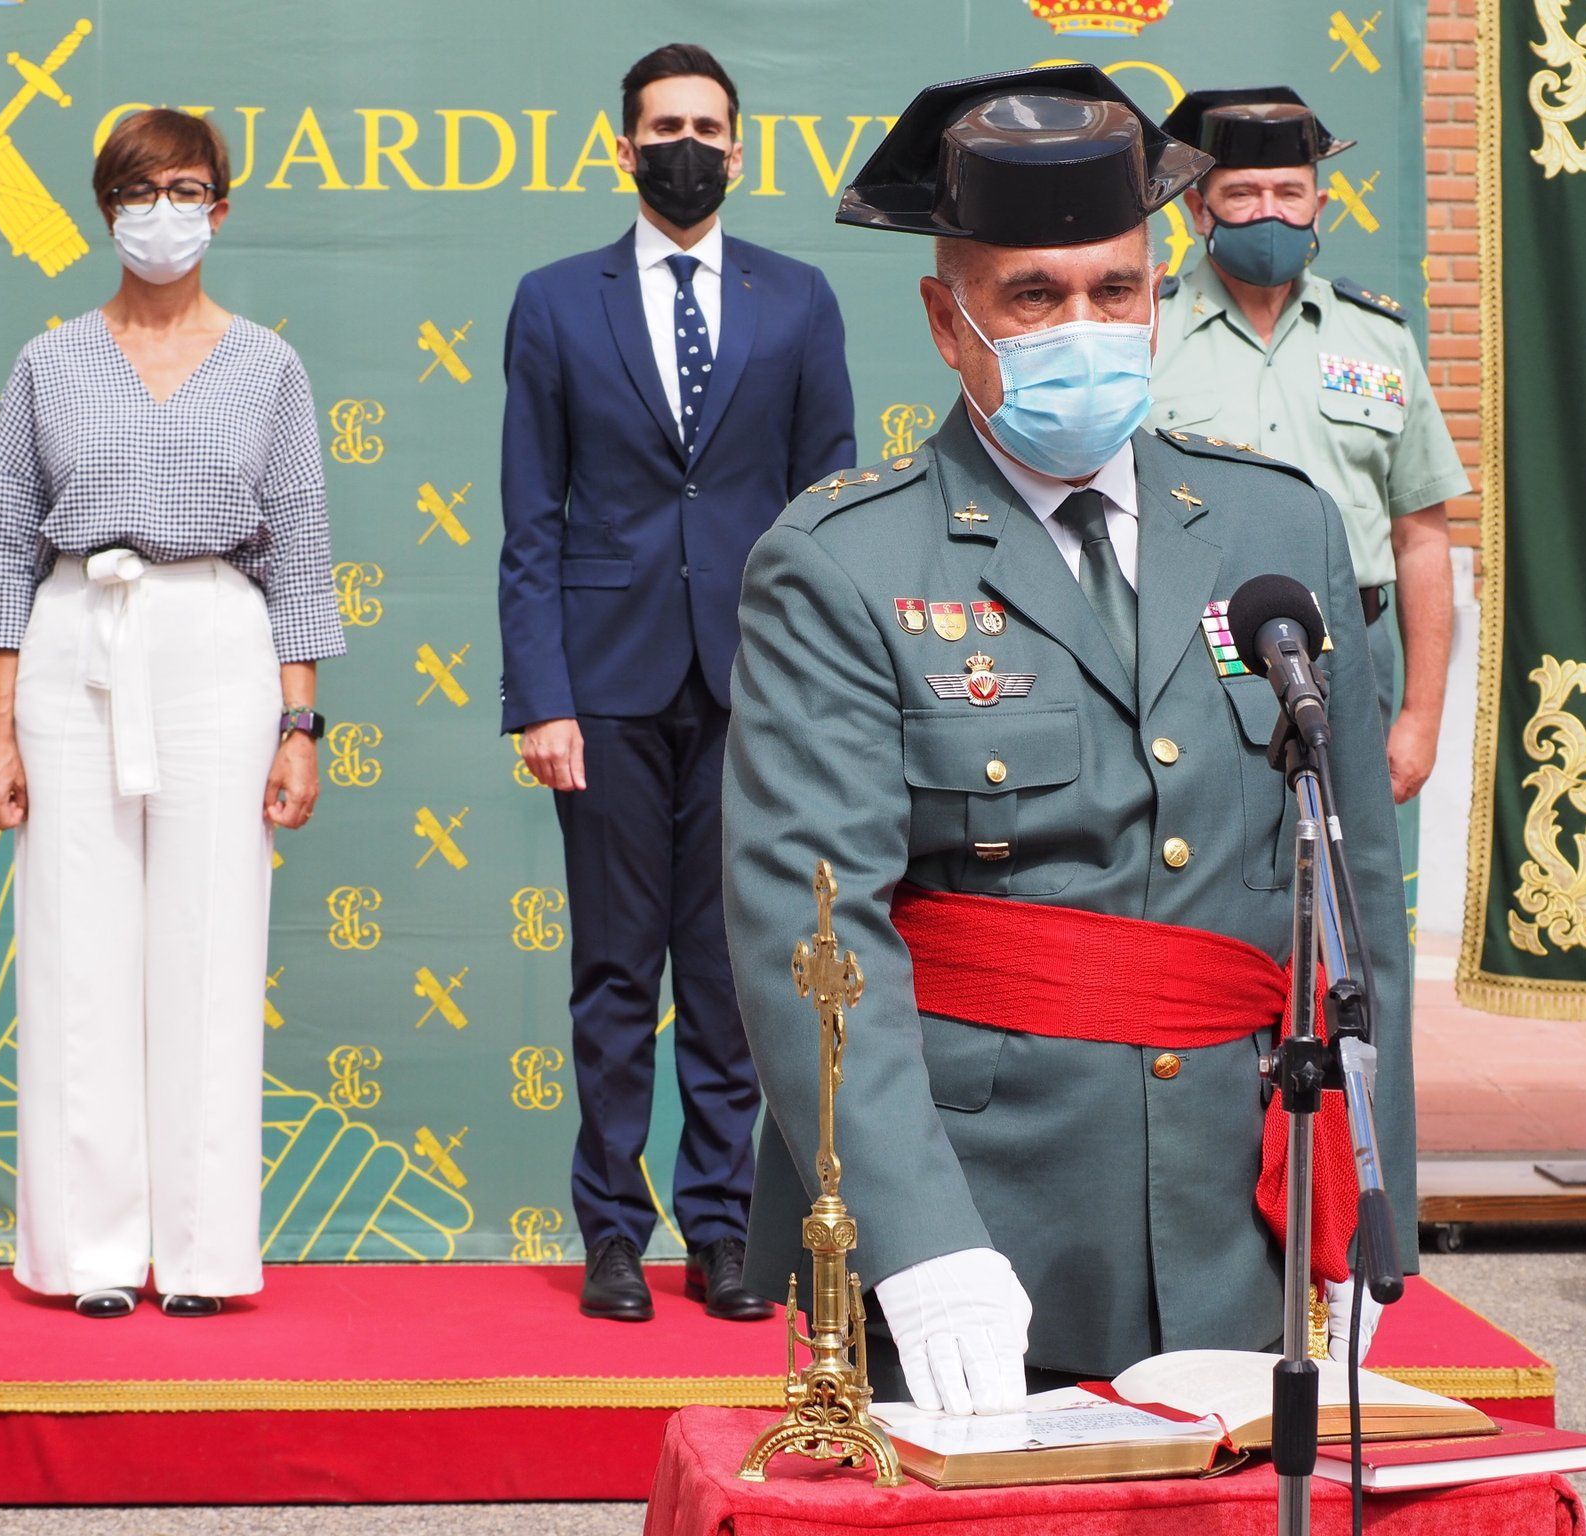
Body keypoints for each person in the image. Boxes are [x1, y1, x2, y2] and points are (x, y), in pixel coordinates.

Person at [723, 66, 1414, 1414]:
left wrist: (1367, 1208)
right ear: (948, 318)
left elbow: (1355, 904)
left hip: (1241, 1221)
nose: (1083, 326)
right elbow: (814, 940)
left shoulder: (1281, 534)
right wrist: (916, 1243)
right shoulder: (844, 563)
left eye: (1117, 289)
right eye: (1035, 296)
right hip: (988, 1225)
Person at [498, 43, 856, 1323]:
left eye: (708, 124)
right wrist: (537, 698)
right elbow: (529, 520)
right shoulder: (553, 301)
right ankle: (609, 1232)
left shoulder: (799, 300)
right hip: (600, 684)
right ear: (623, 148)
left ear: (741, 148)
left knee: (723, 975)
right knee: (612, 971)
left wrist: (822, 695)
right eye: (665, 126)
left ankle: (717, 1232)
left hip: (755, 687)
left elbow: (829, 509)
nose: (687, 143)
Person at [0, 108, 341, 1319]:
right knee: (76, 950)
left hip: (218, 647)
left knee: (211, 945)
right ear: (105, 209)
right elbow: (1, 552)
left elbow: (302, 555)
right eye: (139, 190)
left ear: (220, 209)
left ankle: (204, 1254)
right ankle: (89, 1254)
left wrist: (300, 723)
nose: (163, 211)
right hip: (78, 642)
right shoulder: (48, 363)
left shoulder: (269, 365)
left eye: (185, 189)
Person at [1152, 87, 1469, 810]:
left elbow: (1421, 538)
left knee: (1352, 887)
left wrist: (1421, 717)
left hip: (1354, 653)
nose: (1271, 212)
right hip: (1188, 652)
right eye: (1244, 193)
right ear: (1198, 209)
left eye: (1290, 192)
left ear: (1319, 207)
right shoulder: (1148, 334)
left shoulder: (1379, 339)